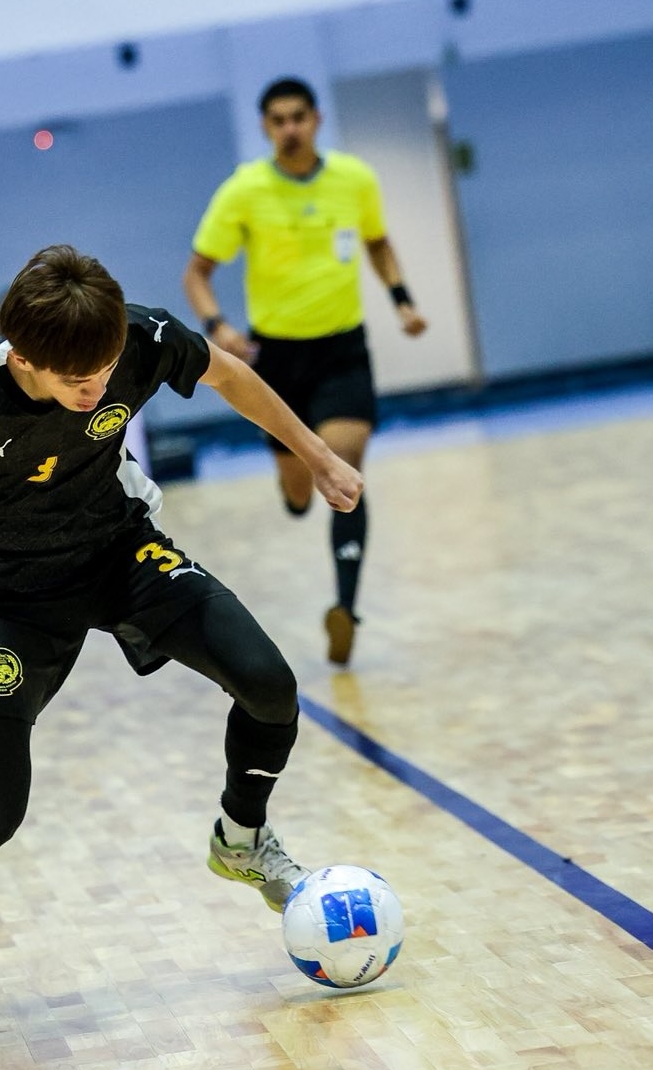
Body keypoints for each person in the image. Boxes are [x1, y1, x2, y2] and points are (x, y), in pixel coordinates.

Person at [0, 245, 362, 1027]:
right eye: (77, 380)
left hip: (120, 554)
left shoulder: (140, 339)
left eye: (106, 372)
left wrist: (316, 455)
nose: (96, 390)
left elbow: (227, 374)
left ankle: (242, 836)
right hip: (12, 598)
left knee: (269, 685)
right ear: (22, 357)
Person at [182, 76, 428, 664]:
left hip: (343, 350)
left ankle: (345, 608)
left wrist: (402, 300)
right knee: (300, 490)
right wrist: (219, 326)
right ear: (266, 127)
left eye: (298, 117)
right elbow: (197, 272)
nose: (290, 128)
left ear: (316, 119)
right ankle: (292, 490)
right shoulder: (244, 191)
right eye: (278, 120)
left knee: (343, 467)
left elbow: (377, 242)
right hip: (278, 360)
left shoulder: (355, 179)